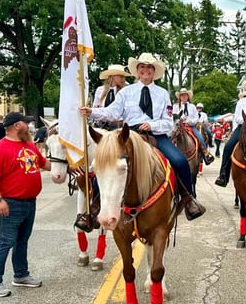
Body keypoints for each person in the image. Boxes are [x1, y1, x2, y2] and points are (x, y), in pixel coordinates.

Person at [79, 52, 205, 221]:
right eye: (142, 67)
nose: (146, 70)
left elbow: (168, 122)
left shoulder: (162, 94)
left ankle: (189, 199)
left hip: (155, 135)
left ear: (154, 71)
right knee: (108, 162)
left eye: (149, 67)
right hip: (129, 134)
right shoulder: (126, 92)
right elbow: (112, 112)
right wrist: (91, 112)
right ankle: (94, 205)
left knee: (180, 161)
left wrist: (152, 125)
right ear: (137, 71)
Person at [0, 112, 51, 297]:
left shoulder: (29, 145)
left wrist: (69, 163)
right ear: (16, 126)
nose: (29, 127)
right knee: (6, 241)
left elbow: (44, 164)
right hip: (11, 202)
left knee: (22, 240)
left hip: (30, 202)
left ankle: (21, 275)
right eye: (26, 123)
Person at [172, 88, 215, 164]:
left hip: (190, 126)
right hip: (179, 126)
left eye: (185, 95)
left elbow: (196, 117)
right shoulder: (175, 106)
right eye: (182, 95)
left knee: (200, 137)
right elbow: (173, 116)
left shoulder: (192, 106)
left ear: (188, 96)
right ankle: (168, 155)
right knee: (171, 137)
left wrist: (192, 122)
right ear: (179, 97)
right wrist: (180, 118)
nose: (184, 97)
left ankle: (205, 154)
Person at [92, 64, 132, 129]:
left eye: (123, 77)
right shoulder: (100, 90)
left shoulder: (125, 91)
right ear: (112, 76)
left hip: (118, 126)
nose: (123, 79)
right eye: (120, 76)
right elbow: (94, 108)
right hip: (101, 125)